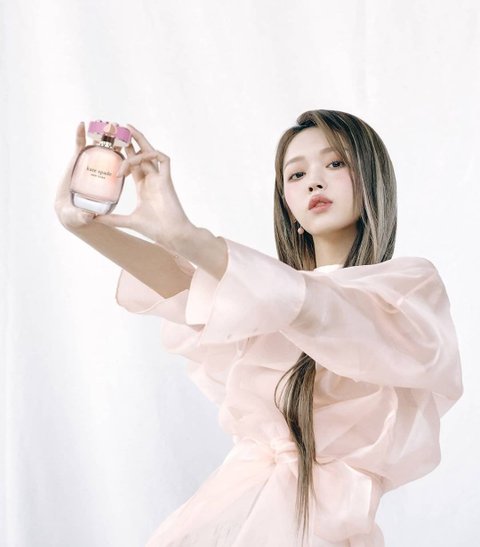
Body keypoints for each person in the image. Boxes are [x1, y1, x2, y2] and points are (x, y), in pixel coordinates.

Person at [54, 109, 464, 547]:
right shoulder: (264, 294)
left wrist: (187, 236)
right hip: (230, 513)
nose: (314, 182)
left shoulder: (406, 290)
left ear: (372, 178)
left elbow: (323, 310)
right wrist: (84, 227)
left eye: (335, 163)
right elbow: (191, 294)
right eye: (296, 174)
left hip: (322, 529)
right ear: (287, 205)